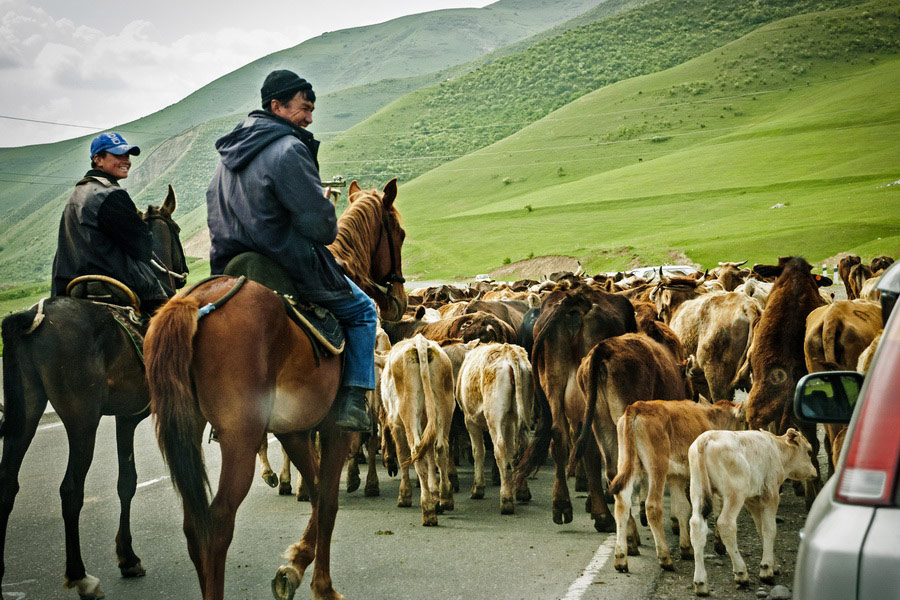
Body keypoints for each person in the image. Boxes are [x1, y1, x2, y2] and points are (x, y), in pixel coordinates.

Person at [206, 69, 376, 432]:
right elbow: (321, 229)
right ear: (276, 106)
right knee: (363, 310)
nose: (310, 119)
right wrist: (323, 206)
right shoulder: (289, 148)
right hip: (285, 262)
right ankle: (353, 401)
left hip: (231, 267)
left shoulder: (225, 159)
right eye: (304, 108)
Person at [51, 132, 169, 312]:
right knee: (172, 317)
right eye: (118, 155)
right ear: (98, 159)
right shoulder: (110, 194)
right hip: (113, 278)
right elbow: (141, 246)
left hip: (73, 283)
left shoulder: (77, 194)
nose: (126, 161)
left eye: (127, 156)